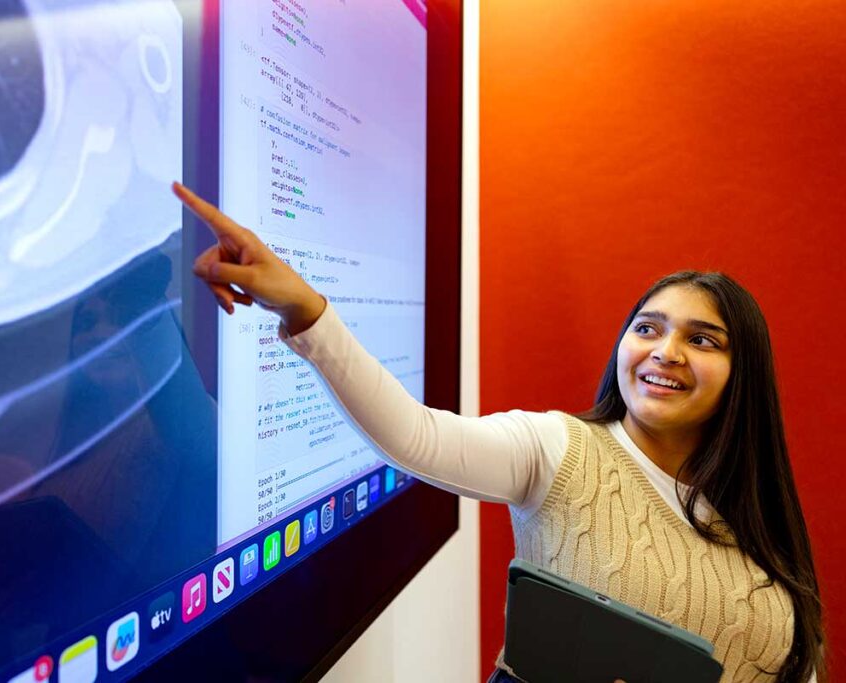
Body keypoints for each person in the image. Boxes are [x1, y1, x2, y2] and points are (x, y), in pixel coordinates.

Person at [172, 182, 825, 683]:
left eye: (701, 338)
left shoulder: (761, 515)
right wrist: (305, 308)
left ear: (745, 374)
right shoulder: (560, 449)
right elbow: (416, 436)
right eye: (649, 328)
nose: (666, 350)